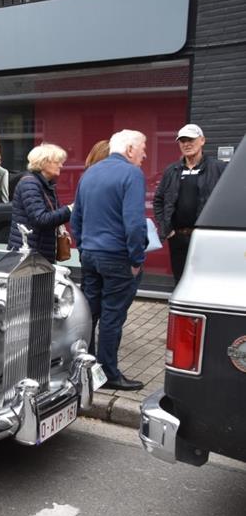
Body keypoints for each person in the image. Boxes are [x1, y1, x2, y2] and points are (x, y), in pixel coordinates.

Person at [71, 129, 148, 391]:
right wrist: (136, 259)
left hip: (91, 256)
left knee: (89, 314)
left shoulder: (89, 173)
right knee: (112, 317)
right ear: (129, 149)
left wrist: (84, 248)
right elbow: (135, 224)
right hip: (117, 256)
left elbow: (76, 218)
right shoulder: (131, 174)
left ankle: (86, 368)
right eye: (142, 150)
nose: (144, 156)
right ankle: (108, 374)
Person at [153, 124, 226, 284]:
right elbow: (158, 200)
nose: (186, 144)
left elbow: (227, 200)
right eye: (183, 141)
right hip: (178, 237)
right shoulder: (172, 171)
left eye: (191, 140)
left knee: (206, 280)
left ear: (202, 140)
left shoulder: (218, 168)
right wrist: (167, 229)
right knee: (180, 280)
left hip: (206, 238)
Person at [7, 143, 72, 262]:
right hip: (29, 256)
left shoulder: (46, 184)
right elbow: (40, 219)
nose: (61, 165)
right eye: (57, 162)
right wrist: (70, 209)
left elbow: (50, 213)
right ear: (43, 162)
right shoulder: (30, 184)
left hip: (38, 252)